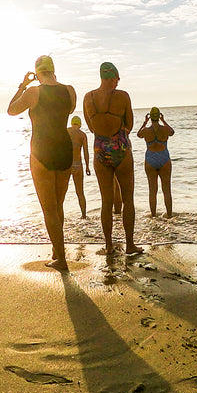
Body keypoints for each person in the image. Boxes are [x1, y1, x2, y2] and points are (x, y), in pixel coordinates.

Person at [7, 55, 77, 270]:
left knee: (49, 209)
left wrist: (23, 86)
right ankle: (58, 251)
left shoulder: (33, 92)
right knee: (58, 205)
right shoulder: (70, 90)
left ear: (37, 72)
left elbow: (11, 110)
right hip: (65, 148)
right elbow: (70, 110)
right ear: (53, 70)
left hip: (41, 150)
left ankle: (61, 258)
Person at [83, 62, 142, 256]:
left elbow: (91, 128)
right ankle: (130, 245)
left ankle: (109, 246)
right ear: (113, 77)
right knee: (128, 199)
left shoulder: (88, 98)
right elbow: (130, 123)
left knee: (106, 201)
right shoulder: (123, 96)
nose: (118, 82)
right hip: (121, 147)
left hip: (100, 149)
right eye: (117, 79)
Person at [137, 107, 174, 217]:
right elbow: (172, 132)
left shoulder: (146, 131)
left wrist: (144, 123)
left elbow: (138, 134)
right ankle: (170, 215)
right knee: (166, 190)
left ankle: (153, 216)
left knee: (152, 191)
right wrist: (163, 121)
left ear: (150, 117)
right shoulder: (165, 129)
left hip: (150, 159)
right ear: (159, 116)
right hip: (164, 158)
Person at [68, 115, 90, 218]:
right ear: (80, 125)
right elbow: (86, 152)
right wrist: (87, 167)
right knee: (80, 192)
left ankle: (59, 216)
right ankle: (84, 215)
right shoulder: (82, 135)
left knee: (61, 192)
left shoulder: (66, 131)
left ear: (72, 123)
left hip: (66, 164)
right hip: (78, 165)